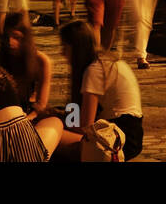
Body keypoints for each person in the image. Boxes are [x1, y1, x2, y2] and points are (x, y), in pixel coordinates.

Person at [60, 20, 144, 160]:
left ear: (76, 48)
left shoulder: (95, 70)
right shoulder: (103, 61)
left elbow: (85, 126)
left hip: (120, 137)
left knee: (50, 135)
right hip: (126, 129)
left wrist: (58, 120)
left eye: (65, 47)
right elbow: (76, 113)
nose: (62, 53)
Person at [0, 12, 54, 119]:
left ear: (26, 38)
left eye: (16, 37)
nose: (10, 42)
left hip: (31, 114)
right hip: (3, 115)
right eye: (7, 36)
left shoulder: (41, 61)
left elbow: (41, 104)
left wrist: (27, 120)